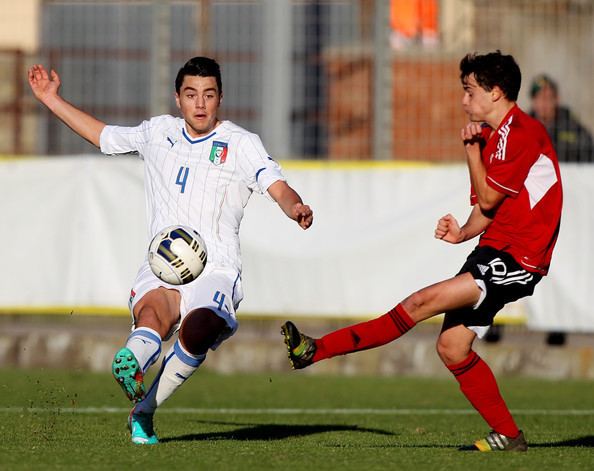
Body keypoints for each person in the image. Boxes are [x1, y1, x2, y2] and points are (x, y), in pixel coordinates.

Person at [281, 51, 562, 452]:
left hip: (521, 259)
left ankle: (314, 350)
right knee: (451, 347)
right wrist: (463, 232)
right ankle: (509, 436)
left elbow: (486, 197)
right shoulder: (497, 136)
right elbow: (487, 210)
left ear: (496, 92)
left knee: (419, 301)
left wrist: (470, 150)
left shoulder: (520, 132)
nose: (464, 101)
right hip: (494, 250)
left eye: (469, 92)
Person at [28, 57, 313, 445]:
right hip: (162, 265)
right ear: (177, 99)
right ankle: (132, 363)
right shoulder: (157, 133)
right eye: (192, 95)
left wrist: (294, 207)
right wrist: (50, 99)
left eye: (208, 95)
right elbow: (103, 136)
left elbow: (277, 186)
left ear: (220, 99)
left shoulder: (241, 144)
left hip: (217, 267)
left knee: (199, 327)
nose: (200, 104)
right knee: (153, 314)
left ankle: (143, 410)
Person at [529, 74, 594, 162]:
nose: (543, 103)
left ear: (556, 99)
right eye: (539, 98)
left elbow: (589, 153)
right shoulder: (521, 127)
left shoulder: (572, 127)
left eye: (547, 98)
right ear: (533, 101)